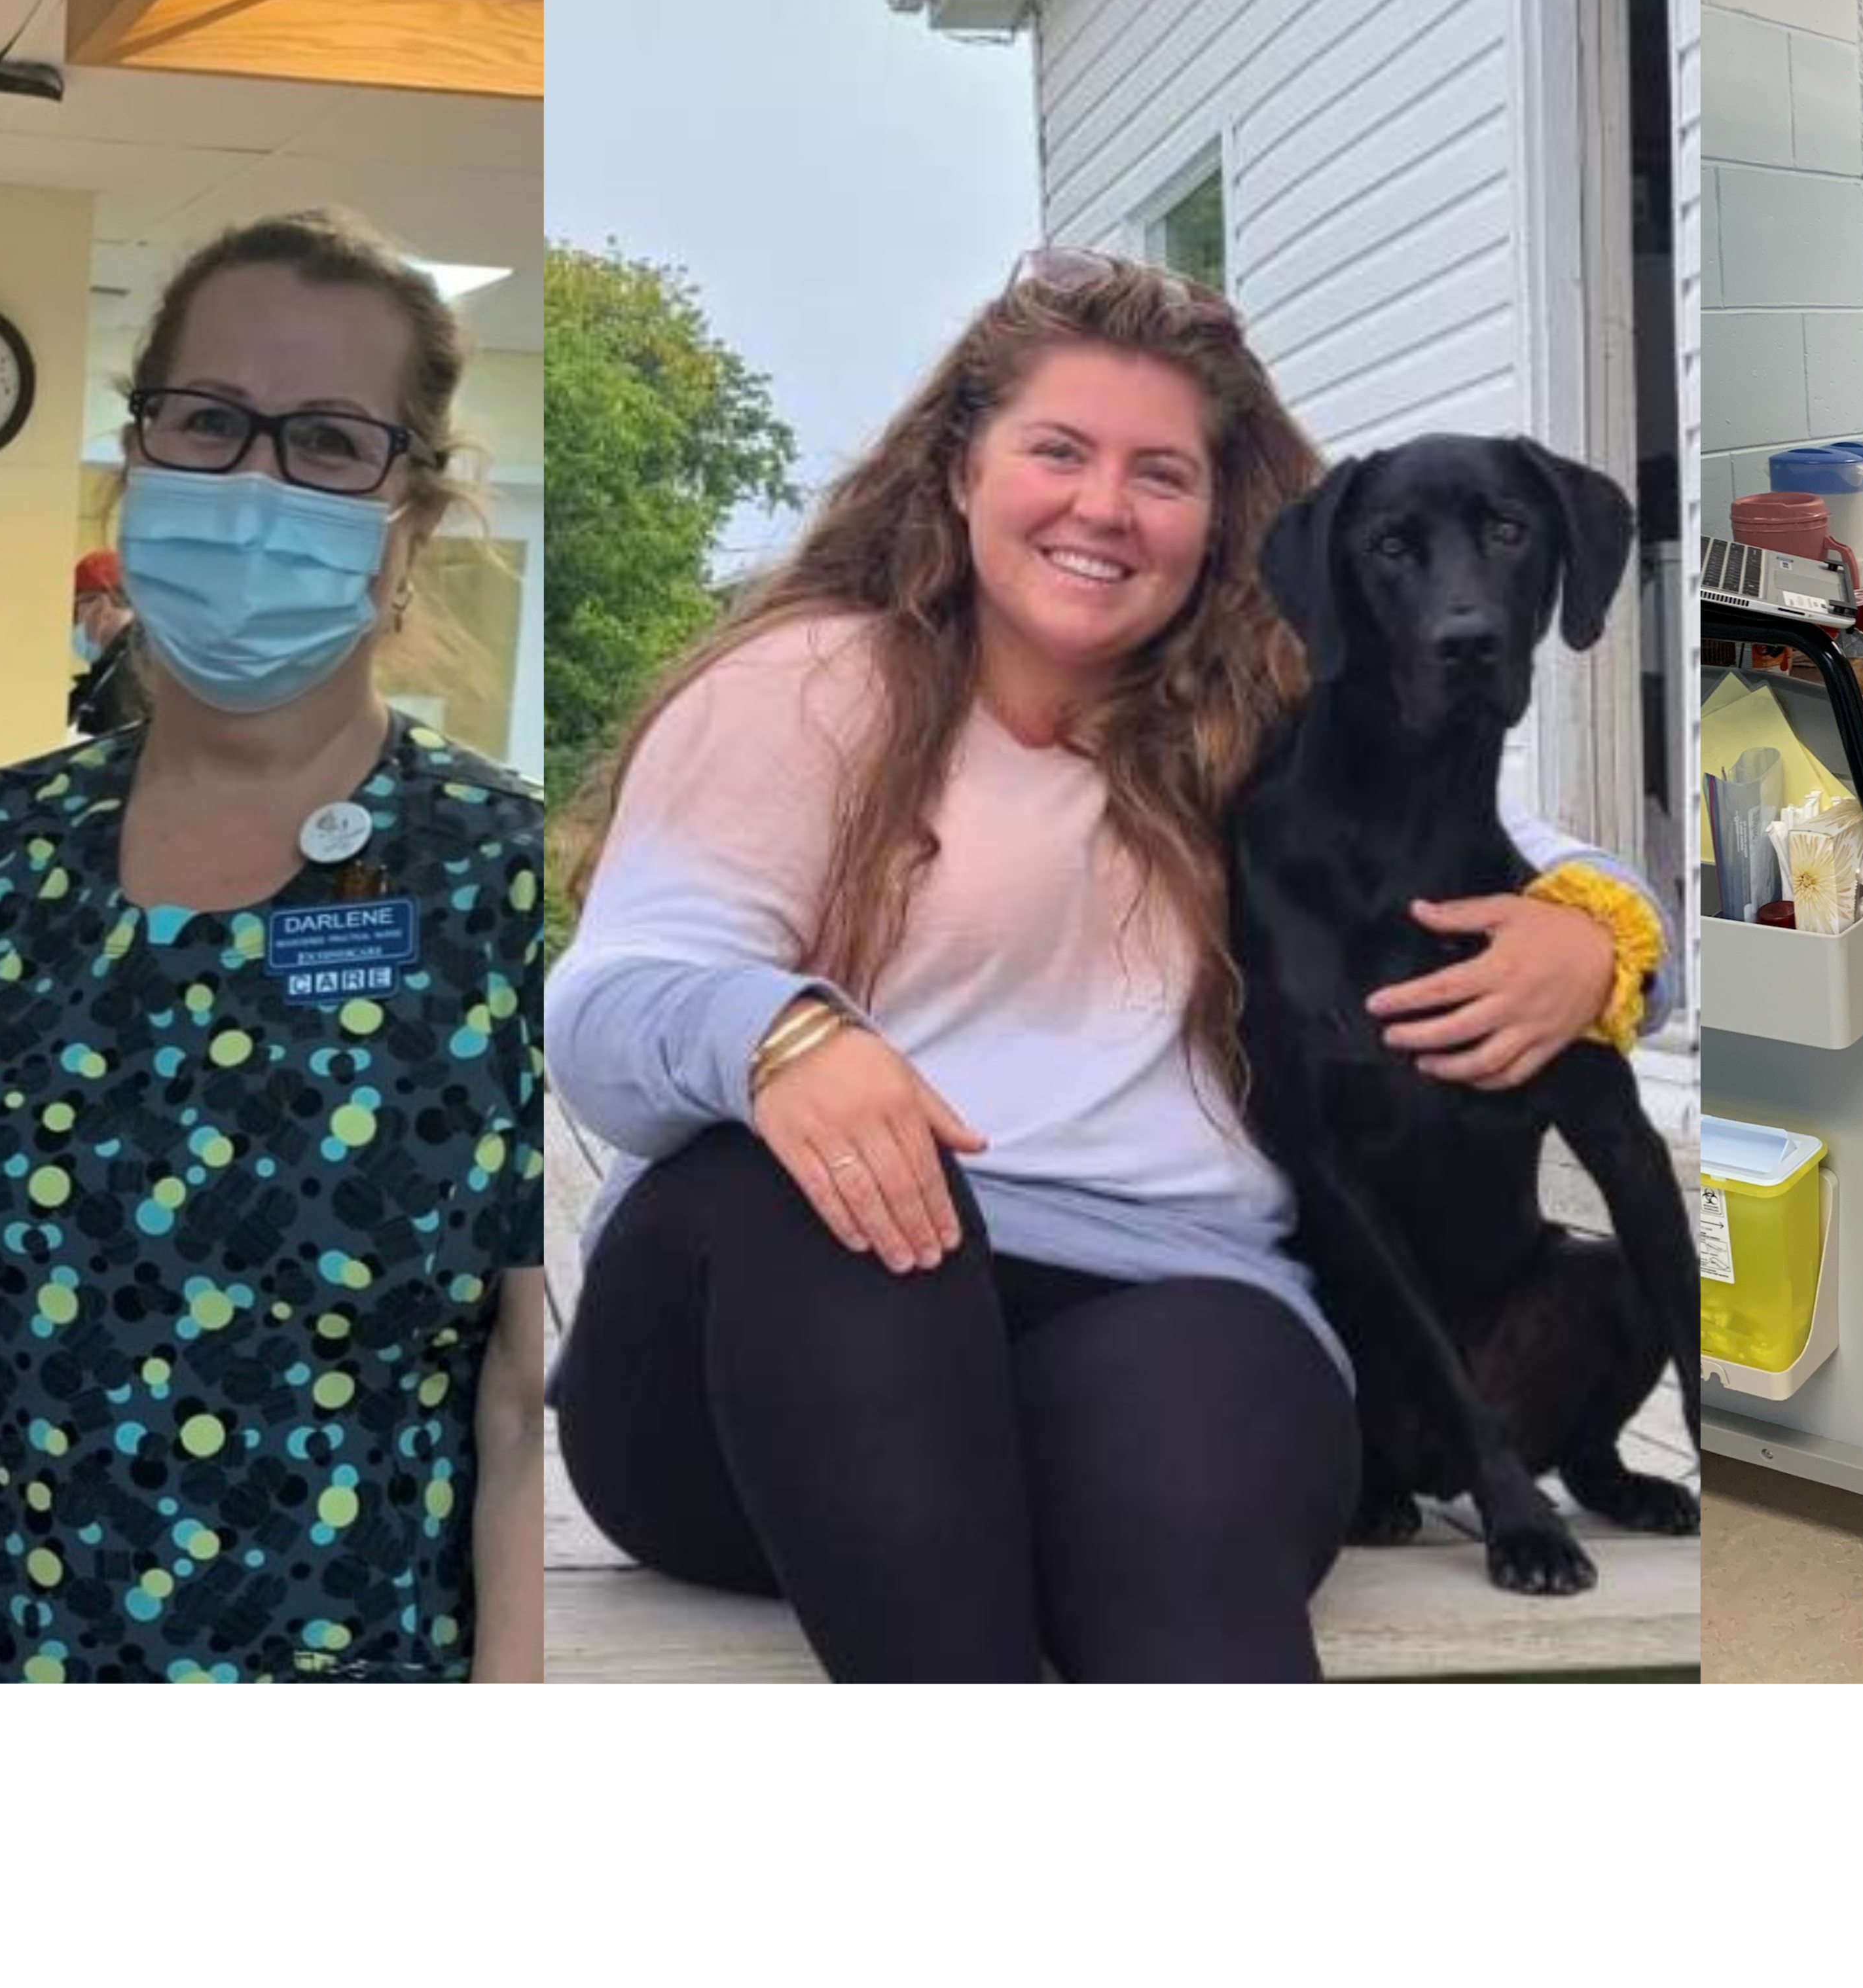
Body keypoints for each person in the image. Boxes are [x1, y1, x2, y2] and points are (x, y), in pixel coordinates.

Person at [551, 251, 1662, 1681]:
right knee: (817, 1189)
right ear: (960, 470)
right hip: (768, 1356)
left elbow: (1540, 860)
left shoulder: (1282, 713)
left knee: (1199, 1458)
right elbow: (607, 1007)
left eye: (1161, 474)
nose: (1103, 508)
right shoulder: (810, 688)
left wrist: (1599, 940)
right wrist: (782, 1037)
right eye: (1058, 452)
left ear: (1216, 517)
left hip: (1158, 1298)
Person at [0, 210, 549, 1682]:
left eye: (331, 444)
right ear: (139, 450)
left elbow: (528, 1402)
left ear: (411, 511)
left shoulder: (503, 884)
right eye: (209, 421)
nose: (256, 480)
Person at [65, 548, 144, 738]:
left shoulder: (133, 676)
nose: (73, 624)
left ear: (100, 606)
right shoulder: (116, 666)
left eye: (76, 611)